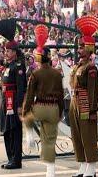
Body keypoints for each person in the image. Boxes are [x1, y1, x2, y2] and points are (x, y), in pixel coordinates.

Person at [22, 25, 64, 177]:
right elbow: (60, 95)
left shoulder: (36, 73)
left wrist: (25, 112)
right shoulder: (57, 74)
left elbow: (29, 95)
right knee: (50, 141)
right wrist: (60, 112)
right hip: (53, 108)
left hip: (40, 106)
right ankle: (50, 173)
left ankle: (29, 134)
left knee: (27, 119)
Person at [69, 15, 98, 177]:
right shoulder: (78, 66)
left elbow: (93, 90)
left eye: (82, 47)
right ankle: (82, 165)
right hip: (75, 102)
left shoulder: (91, 68)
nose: (79, 49)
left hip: (84, 103)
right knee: (77, 136)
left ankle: (92, 168)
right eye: (78, 46)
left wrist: (92, 109)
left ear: (89, 49)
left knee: (88, 136)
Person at [0, 19, 27, 169]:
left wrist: (19, 105)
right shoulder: (9, 65)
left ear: (14, 52)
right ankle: (10, 157)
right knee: (7, 131)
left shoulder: (18, 66)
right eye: (5, 51)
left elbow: (21, 87)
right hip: (6, 101)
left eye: (8, 51)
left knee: (14, 131)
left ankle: (16, 159)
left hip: (13, 102)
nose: (5, 53)